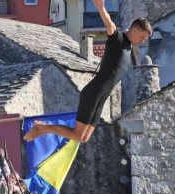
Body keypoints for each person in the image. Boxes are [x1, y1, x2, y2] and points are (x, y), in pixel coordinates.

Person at [23, 0, 151, 143]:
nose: (143, 40)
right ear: (135, 30)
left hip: (101, 97)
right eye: (142, 37)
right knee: (78, 135)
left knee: (82, 138)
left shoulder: (130, 49)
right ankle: (41, 129)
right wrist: (100, 7)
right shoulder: (118, 39)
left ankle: (42, 128)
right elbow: (109, 23)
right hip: (93, 93)